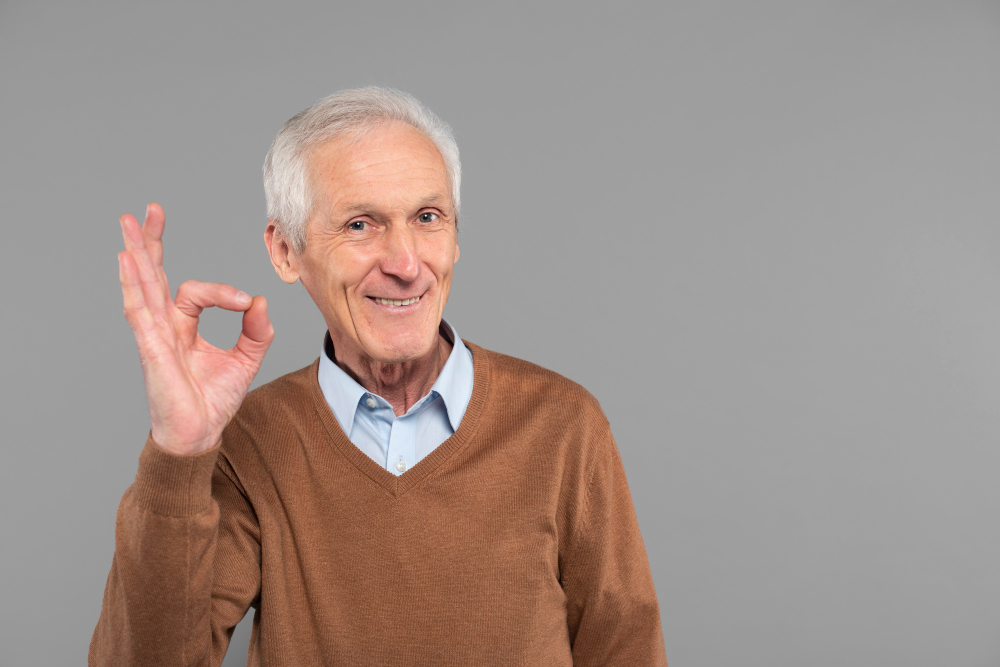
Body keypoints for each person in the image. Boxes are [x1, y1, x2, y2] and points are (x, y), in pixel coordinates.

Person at [89, 87, 668, 666]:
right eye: (361, 225)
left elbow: (627, 651)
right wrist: (178, 450)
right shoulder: (249, 443)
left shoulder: (563, 425)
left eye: (427, 218)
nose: (406, 263)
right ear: (286, 251)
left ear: (456, 237)